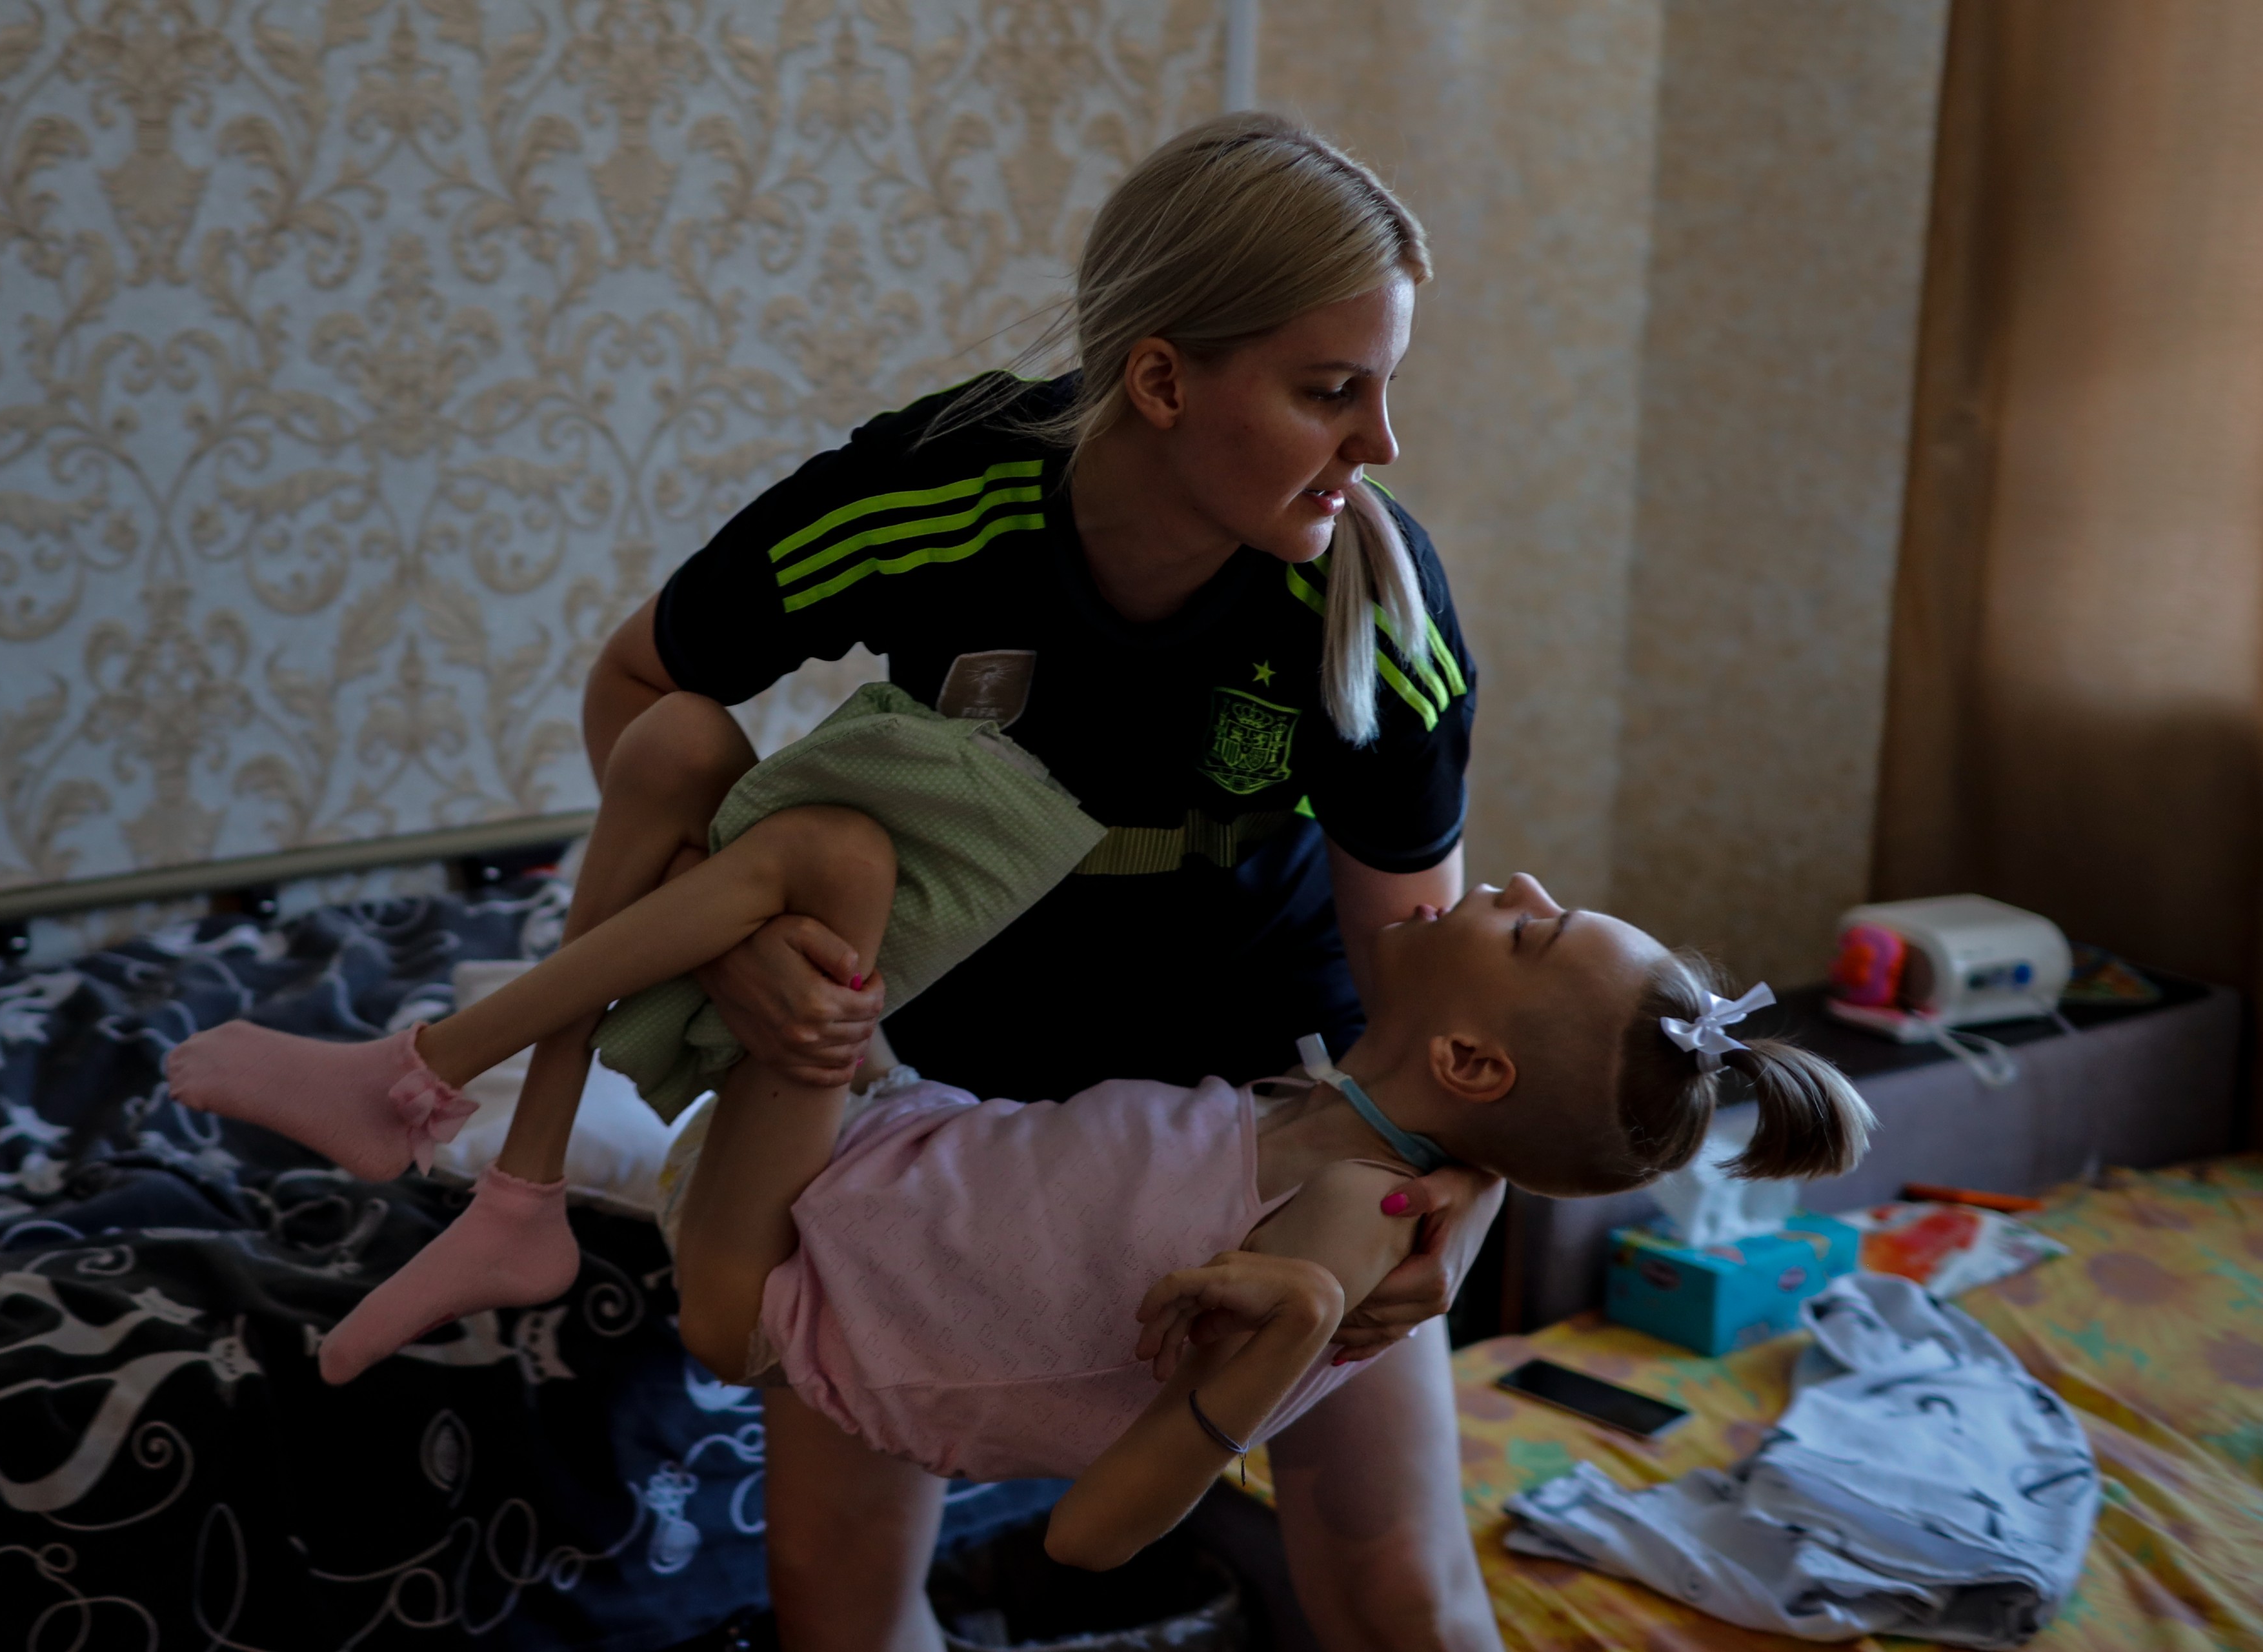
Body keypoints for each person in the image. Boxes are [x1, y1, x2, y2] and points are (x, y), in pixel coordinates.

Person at [205, 110, 1505, 1648]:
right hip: (943, 1101)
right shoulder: (937, 493)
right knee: (838, 1610)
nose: (1381, 445)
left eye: (1386, 389)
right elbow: (646, 690)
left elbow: (1431, 997)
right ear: (1162, 379)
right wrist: (734, 937)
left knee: (1403, 1590)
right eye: (1330, 391)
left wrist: (1437, 1232)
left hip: (1262, 1102)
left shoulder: (1372, 594)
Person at [168, 685, 1873, 1644]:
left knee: (812, 837)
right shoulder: (1399, 1146)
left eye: (1534, 925)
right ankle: (496, 1142)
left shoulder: (1351, 1223)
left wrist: (1269, 1344)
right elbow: (1451, 1137)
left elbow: (1100, 1536)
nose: (1504, 888)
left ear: (1479, 1055)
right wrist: (1482, 1180)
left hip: (777, 1272)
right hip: (892, 1140)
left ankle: (427, 1093)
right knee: (681, 753)